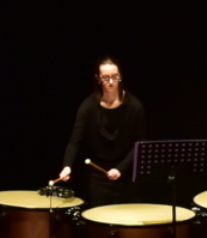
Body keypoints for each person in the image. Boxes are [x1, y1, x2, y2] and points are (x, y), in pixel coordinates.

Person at [56, 56, 144, 207]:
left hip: (126, 174)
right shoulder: (88, 107)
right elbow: (75, 141)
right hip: (97, 176)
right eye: (105, 77)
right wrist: (67, 165)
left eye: (114, 77)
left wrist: (120, 168)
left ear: (120, 76)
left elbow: (140, 144)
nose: (111, 82)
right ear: (98, 78)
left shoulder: (134, 106)